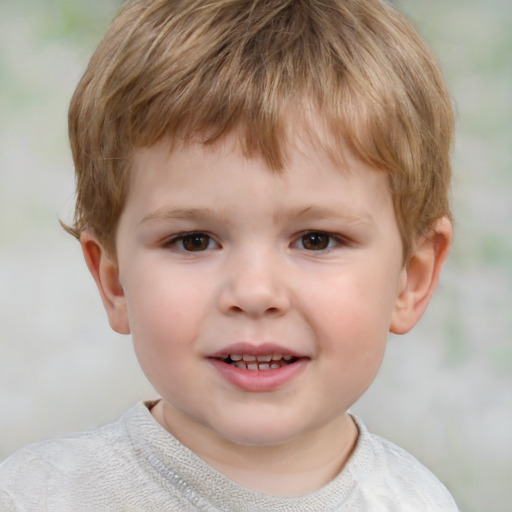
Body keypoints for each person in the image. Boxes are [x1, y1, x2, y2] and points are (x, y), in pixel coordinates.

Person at [0, 0, 459, 510]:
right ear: (114, 281)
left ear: (411, 280)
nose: (254, 292)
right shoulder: (35, 496)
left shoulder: (420, 501)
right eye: (194, 240)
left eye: (315, 240)